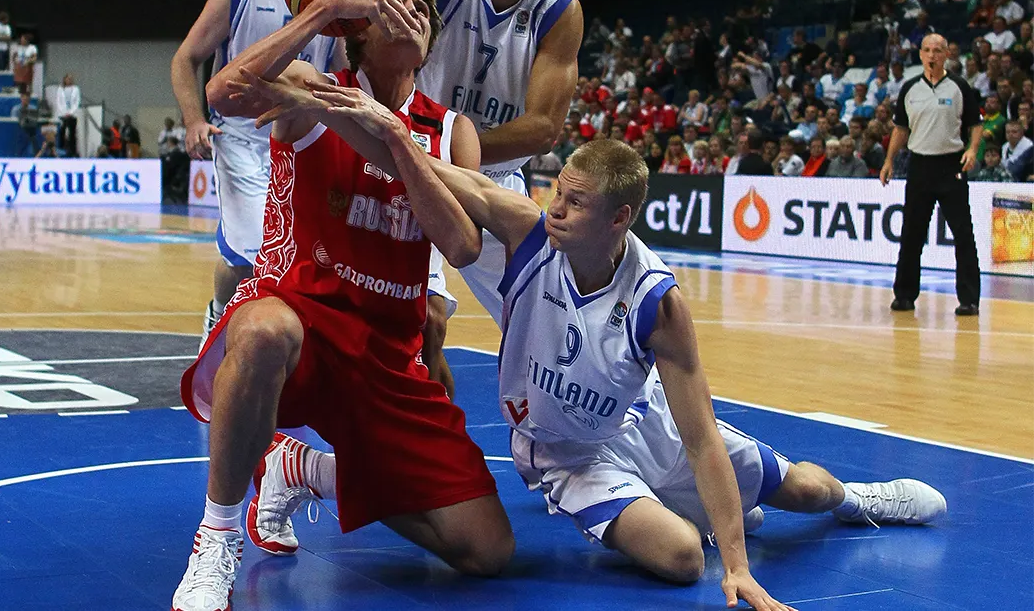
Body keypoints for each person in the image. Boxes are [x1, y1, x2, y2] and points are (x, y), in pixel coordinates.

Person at [255, 114, 948, 611]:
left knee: (808, 492)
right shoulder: (527, 232)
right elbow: (424, 163)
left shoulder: (657, 302)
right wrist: (344, 110)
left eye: (575, 203)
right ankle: (304, 468)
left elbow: (701, 434)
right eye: (558, 191)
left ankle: (860, 500)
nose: (556, 208)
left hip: (646, 427)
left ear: (619, 219)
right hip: (567, 454)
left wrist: (738, 569)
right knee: (680, 559)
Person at [171, 0, 509, 611]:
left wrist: (397, 141)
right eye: (391, 7)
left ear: (432, 40)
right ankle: (216, 536)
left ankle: (305, 470)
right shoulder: (311, 87)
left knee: (484, 550)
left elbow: (463, 245)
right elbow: (224, 91)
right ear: (358, 30)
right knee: (262, 328)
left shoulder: (451, 130)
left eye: (420, 12)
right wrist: (322, 8)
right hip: (303, 319)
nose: (408, 15)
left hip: (388, 356)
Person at [213, 0, 582, 410]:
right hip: (397, 148)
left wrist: (456, 150)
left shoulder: (557, 9)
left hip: (471, 169)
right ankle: (355, 435)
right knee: (425, 322)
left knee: (551, 314)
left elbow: (544, 128)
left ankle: (593, 425)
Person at [173, 0, 344, 351]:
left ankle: (296, 348)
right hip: (244, 139)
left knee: (311, 254)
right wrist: (193, 121)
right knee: (249, 255)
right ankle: (220, 321)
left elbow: (347, 75)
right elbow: (186, 57)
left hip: (306, 139)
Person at [883, 34, 982, 316]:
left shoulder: (959, 86)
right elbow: (900, 128)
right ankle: (904, 295)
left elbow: (975, 124)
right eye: (927, 50)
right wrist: (889, 160)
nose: (932, 55)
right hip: (919, 166)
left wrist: (973, 150)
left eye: (938, 50)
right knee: (912, 233)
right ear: (920, 55)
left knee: (963, 234)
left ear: (947, 54)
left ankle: (969, 299)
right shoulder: (910, 88)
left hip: (951, 166)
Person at [55, 74, 81, 156]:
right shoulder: (60, 89)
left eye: (71, 79)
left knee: (72, 134)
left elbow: (77, 102)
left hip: (72, 115)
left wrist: (70, 112)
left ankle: (72, 151)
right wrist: (64, 112)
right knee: (62, 132)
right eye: (68, 79)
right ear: (65, 79)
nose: (69, 80)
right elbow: (59, 102)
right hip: (62, 115)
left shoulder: (76, 89)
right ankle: (61, 150)